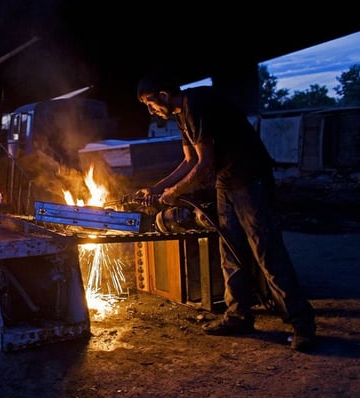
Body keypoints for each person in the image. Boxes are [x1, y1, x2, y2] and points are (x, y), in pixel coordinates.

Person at [134, 70, 317, 352]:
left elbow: (204, 164)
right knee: (230, 251)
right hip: (226, 182)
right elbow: (188, 160)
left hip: (249, 179)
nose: (151, 110)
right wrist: (156, 188)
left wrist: (175, 193)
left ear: (163, 95)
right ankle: (238, 316)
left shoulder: (196, 104)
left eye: (150, 103)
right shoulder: (181, 115)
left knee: (266, 251)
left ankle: (302, 323)